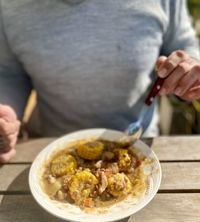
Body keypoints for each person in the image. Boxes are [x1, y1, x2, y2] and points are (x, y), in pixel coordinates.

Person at [0, 0, 199, 163]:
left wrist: (187, 71)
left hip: (142, 143)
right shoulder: (9, 7)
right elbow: (9, 74)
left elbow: (183, 44)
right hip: (54, 146)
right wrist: (5, 112)